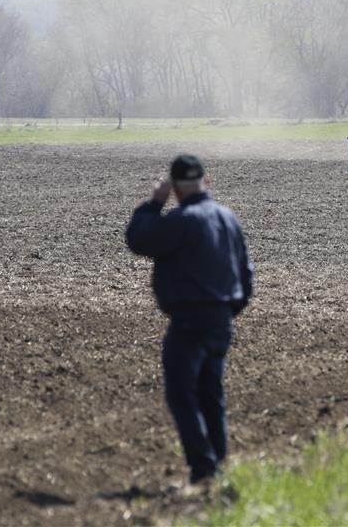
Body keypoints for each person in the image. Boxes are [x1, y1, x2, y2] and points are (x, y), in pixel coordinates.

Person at [126, 154, 254, 485]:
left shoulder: (181, 221)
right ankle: (218, 466)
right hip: (221, 319)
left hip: (189, 321)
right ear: (206, 182)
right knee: (211, 393)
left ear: (176, 190)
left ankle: (204, 468)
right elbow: (246, 276)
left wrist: (153, 204)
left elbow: (138, 239)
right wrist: (227, 312)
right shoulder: (228, 218)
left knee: (182, 394)